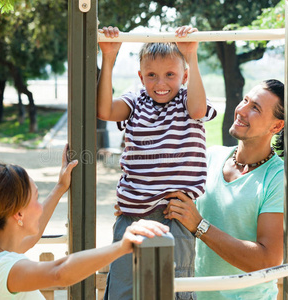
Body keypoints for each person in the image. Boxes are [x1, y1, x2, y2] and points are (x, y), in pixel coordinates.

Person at [0, 144, 169, 299]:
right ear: (18, 215)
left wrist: (60, 188)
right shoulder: (2, 269)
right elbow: (58, 272)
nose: (40, 207)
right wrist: (121, 247)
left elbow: (32, 235)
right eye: (37, 199)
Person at [97, 25, 217, 299]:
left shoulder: (188, 101)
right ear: (141, 76)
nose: (160, 83)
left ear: (184, 75)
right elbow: (104, 110)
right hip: (131, 214)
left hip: (173, 213)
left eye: (170, 75)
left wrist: (191, 54)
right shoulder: (136, 99)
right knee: (123, 288)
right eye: (151, 75)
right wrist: (108, 58)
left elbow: (199, 110)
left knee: (173, 289)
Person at [164, 79, 285, 299]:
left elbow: (267, 261)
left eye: (255, 108)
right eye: (245, 100)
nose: (241, 110)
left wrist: (200, 226)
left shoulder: (278, 178)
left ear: (276, 127)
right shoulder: (210, 156)